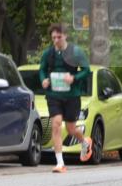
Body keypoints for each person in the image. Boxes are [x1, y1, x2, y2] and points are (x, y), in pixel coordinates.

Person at [38, 23, 94, 172]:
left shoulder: (75, 52)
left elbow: (86, 70)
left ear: (65, 36)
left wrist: (74, 78)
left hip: (72, 96)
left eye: (59, 37)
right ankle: (60, 163)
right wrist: (43, 80)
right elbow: (42, 70)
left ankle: (84, 142)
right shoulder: (48, 53)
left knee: (70, 129)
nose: (56, 40)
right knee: (56, 124)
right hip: (53, 95)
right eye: (53, 37)